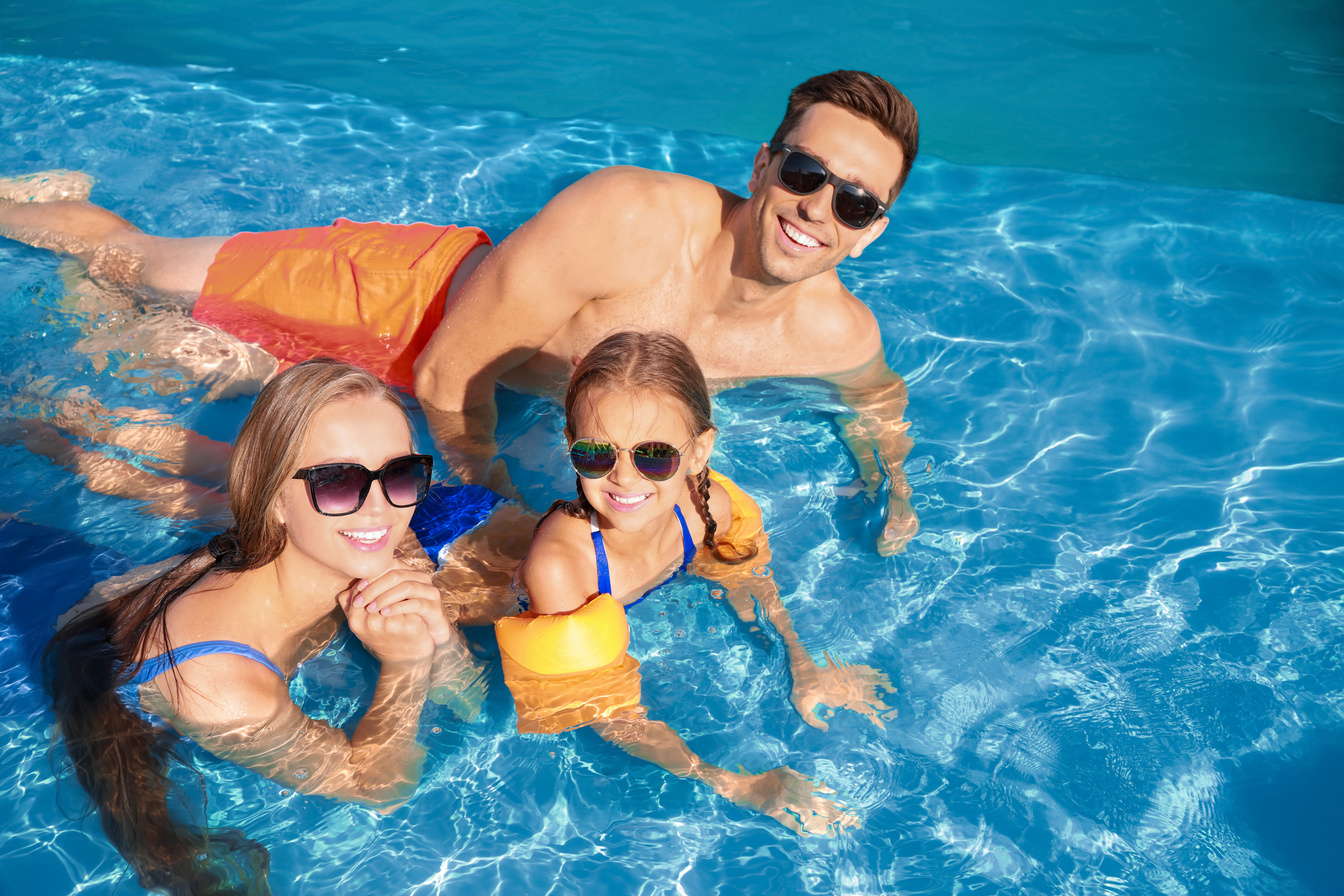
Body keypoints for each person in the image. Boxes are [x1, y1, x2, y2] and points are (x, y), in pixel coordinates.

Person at [0, 70, 920, 554]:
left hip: (485, 387)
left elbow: (878, 405)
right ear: (763, 168)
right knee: (135, 269)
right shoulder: (631, 217)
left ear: (875, 232)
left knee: (176, 360)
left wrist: (894, 497)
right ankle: (48, 208)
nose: (816, 210)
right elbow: (447, 371)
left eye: (855, 202)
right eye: (804, 175)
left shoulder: (834, 335)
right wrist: (498, 508)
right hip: (417, 301)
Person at [44, 359, 484, 895]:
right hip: (83, 644)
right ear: (275, 499)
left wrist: (435, 629)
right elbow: (379, 788)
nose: (379, 509)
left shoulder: (376, 539)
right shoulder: (222, 690)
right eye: (339, 482)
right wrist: (406, 664)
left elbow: (471, 701)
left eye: (400, 473)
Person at [495, 331, 895, 837]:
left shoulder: (707, 510)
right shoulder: (560, 567)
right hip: (489, 582)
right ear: (570, 447)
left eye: (654, 456)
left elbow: (746, 578)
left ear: (699, 452)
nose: (624, 478)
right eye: (596, 454)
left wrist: (802, 662)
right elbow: (605, 711)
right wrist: (735, 784)